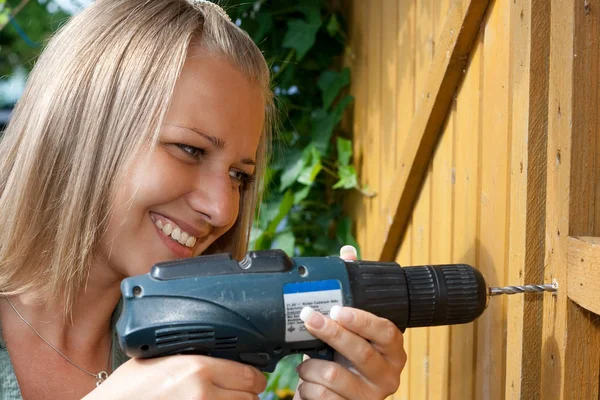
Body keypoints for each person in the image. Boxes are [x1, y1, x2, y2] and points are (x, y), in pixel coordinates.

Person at [0, 0, 407, 399]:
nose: (223, 209)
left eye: (239, 176)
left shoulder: (196, 351)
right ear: (83, 127)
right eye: (189, 149)